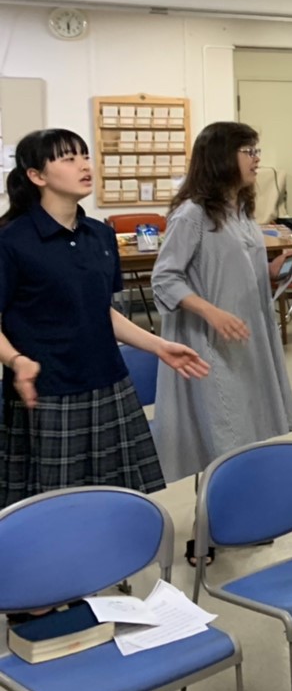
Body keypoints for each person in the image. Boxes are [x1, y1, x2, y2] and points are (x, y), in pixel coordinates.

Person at [0, 129, 209, 508]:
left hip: (109, 380)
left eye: (84, 156)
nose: (84, 165)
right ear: (36, 175)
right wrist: (16, 361)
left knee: (116, 500)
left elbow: (102, 311)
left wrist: (160, 346)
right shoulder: (12, 241)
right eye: (68, 159)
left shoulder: (100, 235)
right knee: (57, 506)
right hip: (49, 390)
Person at [151, 123, 292, 564]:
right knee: (223, 435)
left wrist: (277, 268)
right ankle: (206, 533)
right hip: (210, 343)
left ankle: (237, 520)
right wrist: (211, 311)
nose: (257, 158)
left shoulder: (240, 210)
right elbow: (165, 278)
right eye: (248, 150)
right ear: (221, 157)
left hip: (247, 341)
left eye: (256, 149)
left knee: (245, 434)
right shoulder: (193, 214)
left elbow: (240, 273)